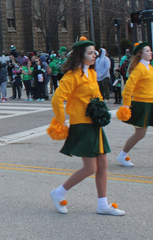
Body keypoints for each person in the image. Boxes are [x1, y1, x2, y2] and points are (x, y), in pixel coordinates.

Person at [49, 39, 125, 216]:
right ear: (80, 55)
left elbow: (97, 95)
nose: (94, 56)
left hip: (94, 124)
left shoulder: (91, 74)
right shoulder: (72, 76)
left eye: (95, 53)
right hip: (81, 124)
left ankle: (102, 205)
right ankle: (58, 192)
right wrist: (62, 121)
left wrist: (101, 111)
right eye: (90, 53)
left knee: (103, 164)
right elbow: (57, 99)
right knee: (90, 168)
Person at [116, 42, 153, 169]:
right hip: (141, 104)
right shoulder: (139, 69)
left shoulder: (150, 68)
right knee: (140, 134)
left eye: (150, 50)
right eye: (147, 51)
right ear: (140, 54)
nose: (151, 53)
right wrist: (126, 106)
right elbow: (128, 88)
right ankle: (122, 155)